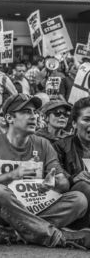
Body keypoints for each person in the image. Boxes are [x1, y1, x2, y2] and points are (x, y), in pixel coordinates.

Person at [0, 93, 90, 249]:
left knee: (79, 200)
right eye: (26, 112)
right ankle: (58, 237)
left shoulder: (43, 144)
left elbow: (63, 183)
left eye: (35, 112)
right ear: (9, 118)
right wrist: (13, 175)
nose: (33, 116)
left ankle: (12, 233)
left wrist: (53, 182)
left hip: (38, 207)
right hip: (6, 210)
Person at [54, 97, 90, 229]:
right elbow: (56, 180)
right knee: (84, 186)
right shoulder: (60, 147)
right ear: (74, 123)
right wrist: (74, 179)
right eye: (87, 119)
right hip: (74, 208)